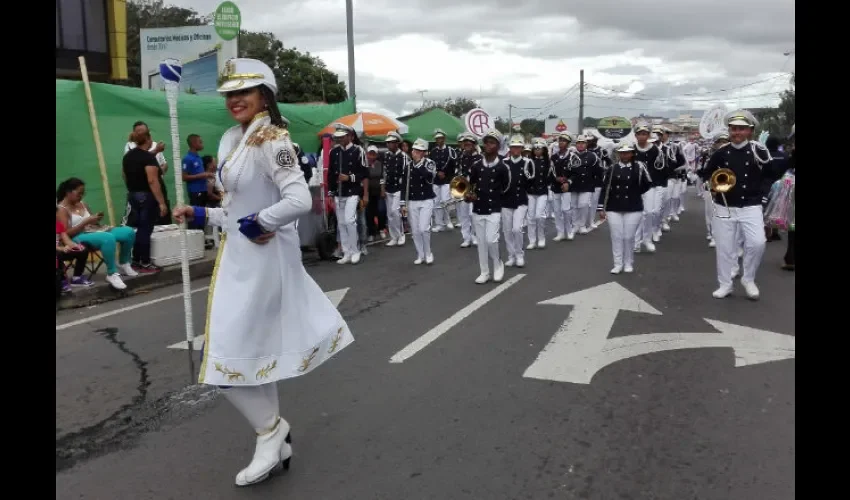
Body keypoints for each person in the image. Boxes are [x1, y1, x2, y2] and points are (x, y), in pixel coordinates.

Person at [171, 58, 354, 487]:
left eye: (245, 92)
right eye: (230, 93)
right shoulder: (233, 137)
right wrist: (200, 212)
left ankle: (269, 433)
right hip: (238, 259)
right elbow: (236, 212)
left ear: (264, 96)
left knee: (224, 363)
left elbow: (297, 200)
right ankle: (275, 437)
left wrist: (262, 222)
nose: (235, 100)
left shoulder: (274, 139)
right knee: (256, 357)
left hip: (264, 262)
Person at [703, 110, 771, 300]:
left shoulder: (759, 151)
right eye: (734, 129)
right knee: (724, 247)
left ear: (749, 131)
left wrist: (764, 197)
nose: (737, 133)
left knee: (758, 242)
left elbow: (769, 175)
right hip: (724, 205)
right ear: (729, 130)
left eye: (741, 129)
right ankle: (725, 284)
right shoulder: (721, 153)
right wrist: (712, 186)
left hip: (751, 204)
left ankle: (748, 278)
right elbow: (706, 173)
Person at [56, 178, 136, 290]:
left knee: (128, 232)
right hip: (76, 238)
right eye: (79, 193)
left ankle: (124, 262)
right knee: (107, 238)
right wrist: (85, 222)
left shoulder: (83, 204)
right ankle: (111, 273)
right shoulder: (61, 209)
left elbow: (92, 223)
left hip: (93, 231)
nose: (81, 196)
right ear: (68, 192)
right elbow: (65, 234)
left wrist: (97, 222)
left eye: (83, 193)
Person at [598, 143, 652, 274]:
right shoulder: (612, 168)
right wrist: (601, 207)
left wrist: (636, 192)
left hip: (633, 207)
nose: (625, 155)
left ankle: (628, 262)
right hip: (614, 207)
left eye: (628, 152)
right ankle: (617, 263)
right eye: (622, 152)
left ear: (632, 153)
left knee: (628, 237)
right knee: (616, 236)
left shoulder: (639, 167)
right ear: (618, 154)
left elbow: (648, 183)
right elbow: (605, 188)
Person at [467, 129, 510, 284]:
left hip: (494, 208)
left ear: (498, 146)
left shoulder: (503, 167)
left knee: (491, 240)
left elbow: (506, 187)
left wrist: (496, 198)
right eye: (486, 142)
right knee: (481, 242)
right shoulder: (476, 166)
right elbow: (471, 185)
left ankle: (498, 263)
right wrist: (469, 195)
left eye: (492, 142)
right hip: (478, 208)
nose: (488, 145)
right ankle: (484, 271)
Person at [123, 129, 169, 273]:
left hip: (132, 195)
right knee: (145, 229)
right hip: (146, 196)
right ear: (148, 139)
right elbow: (152, 180)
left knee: (137, 229)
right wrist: (161, 202)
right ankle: (145, 261)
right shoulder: (148, 159)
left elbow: (124, 175)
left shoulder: (128, 156)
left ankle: (136, 260)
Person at [327, 123, 368, 264]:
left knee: (350, 220)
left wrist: (350, 178)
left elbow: (364, 172)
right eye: (338, 137)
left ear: (350, 136)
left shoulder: (359, 151)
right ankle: (347, 252)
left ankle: (355, 250)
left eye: (342, 137)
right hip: (339, 192)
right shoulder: (334, 152)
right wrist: (330, 192)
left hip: (353, 191)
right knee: (342, 223)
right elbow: (331, 174)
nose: (339, 140)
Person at [401, 138, 437, 264]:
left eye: (420, 151)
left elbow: (429, 178)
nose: (417, 152)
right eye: (415, 150)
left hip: (426, 199)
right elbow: (404, 186)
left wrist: (418, 164)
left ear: (425, 152)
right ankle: (420, 254)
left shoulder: (430, 163)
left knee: (424, 228)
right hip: (412, 201)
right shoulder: (408, 166)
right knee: (415, 230)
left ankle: (428, 252)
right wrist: (403, 204)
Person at [502, 134, 532, 267]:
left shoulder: (527, 162)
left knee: (517, 229)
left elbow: (531, 181)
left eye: (518, 147)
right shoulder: (504, 162)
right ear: (510, 148)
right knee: (507, 230)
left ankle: (520, 254)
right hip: (506, 200)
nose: (515, 150)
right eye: (513, 147)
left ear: (521, 149)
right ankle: (511, 255)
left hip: (521, 199)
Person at [381, 131, 408, 247]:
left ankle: (401, 234)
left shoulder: (403, 156)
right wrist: (382, 188)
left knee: (395, 212)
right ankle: (393, 237)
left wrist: (405, 192)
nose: (389, 145)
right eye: (388, 143)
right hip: (388, 188)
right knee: (389, 214)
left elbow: (406, 175)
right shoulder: (386, 156)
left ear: (397, 143)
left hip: (399, 188)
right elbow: (384, 173)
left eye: (391, 143)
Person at [182, 134, 214, 229]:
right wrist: (203, 175)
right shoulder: (187, 159)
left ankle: (201, 237)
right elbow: (184, 177)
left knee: (202, 216)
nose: (202, 144)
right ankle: (193, 236)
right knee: (194, 216)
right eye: (200, 142)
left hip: (203, 190)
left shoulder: (198, 157)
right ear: (194, 143)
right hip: (195, 192)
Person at [56, 206, 93, 288]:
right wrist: (62, 248)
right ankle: (61, 281)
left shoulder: (58, 225)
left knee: (83, 250)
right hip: (57, 252)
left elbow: (67, 240)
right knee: (57, 255)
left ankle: (77, 278)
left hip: (61, 251)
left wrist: (76, 246)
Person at [430, 128, 458, 232]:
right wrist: (437, 172)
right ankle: (439, 224)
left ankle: (448, 221)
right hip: (436, 180)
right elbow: (431, 165)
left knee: (445, 201)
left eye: (441, 138)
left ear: (444, 138)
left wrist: (447, 175)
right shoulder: (433, 151)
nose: (439, 140)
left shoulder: (450, 151)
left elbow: (454, 165)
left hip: (446, 180)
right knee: (436, 202)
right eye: (437, 139)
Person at [526, 138, 550, 249]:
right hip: (531, 192)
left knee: (539, 216)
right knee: (530, 217)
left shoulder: (548, 161)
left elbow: (552, 175)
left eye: (539, 148)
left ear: (544, 149)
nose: (537, 150)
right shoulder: (528, 161)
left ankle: (541, 238)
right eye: (535, 148)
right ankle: (532, 240)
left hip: (542, 191)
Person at [364, 145, 387, 241]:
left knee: (381, 210)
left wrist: (382, 190)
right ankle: (371, 232)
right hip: (368, 192)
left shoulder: (380, 164)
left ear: (377, 155)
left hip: (379, 191)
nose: (371, 156)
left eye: (373, 154)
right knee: (369, 212)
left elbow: (382, 178)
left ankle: (381, 228)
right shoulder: (364, 165)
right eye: (370, 154)